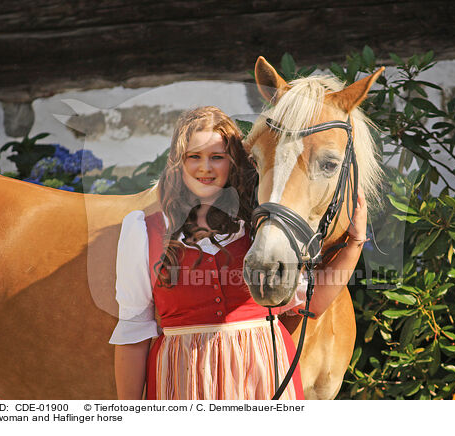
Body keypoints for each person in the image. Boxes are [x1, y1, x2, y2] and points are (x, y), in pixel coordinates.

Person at [109, 106, 368, 400]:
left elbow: (310, 304)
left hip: (263, 373)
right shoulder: (145, 232)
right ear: (178, 163)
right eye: (194, 156)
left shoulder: (258, 230)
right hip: (184, 378)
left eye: (216, 157)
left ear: (233, 163)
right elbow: (133, 336)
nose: (205, 167)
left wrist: (355, 243)